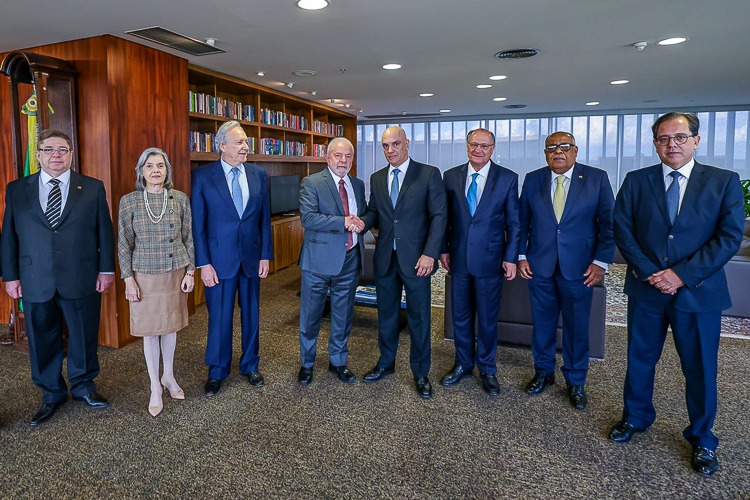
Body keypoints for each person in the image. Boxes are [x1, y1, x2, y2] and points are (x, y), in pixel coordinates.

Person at [609, 112, 744, 476]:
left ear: (696, 141)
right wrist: (651, 272)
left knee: (700, 368)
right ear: (655, 143)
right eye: (664, 138)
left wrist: (680, 275)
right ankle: (635, 417)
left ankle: (702, 438)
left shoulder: (723, 181)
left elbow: (729, 238)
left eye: (680, 137)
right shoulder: (636, 180)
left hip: (698, 293)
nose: (672, 145)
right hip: (647, 289)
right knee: (639, 360)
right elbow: (623, 230)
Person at [1, 129, 115, 427]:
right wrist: (10, 276)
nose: (56, 155)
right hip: (34, 277)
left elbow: (105, 232)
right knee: (41, 337)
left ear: (71, 155)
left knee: (83, 334)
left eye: (62, 150)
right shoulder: (17, 189)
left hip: (82, 275)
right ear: (38, 155)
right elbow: (8, 236)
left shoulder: (92, 188)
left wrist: (106, 269)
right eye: (49, 149)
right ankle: (51, 393)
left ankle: (83, 386)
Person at [518, 131, 614, 410]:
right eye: (551, 148)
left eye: (564, 146)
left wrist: (601, 262)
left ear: (575, 150)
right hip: (540, 266)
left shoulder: (596, 178)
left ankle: (575, 380)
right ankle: (543, 371)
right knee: (542, 324)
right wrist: (522, 256)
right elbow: (522, 222)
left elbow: (609, 224)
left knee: (576, 327)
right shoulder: (533, 179)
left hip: (580, 268)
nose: (558, 152)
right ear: (545, 153)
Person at [361, 126, 447, 399]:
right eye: (385, 146)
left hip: (418, 260)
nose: (390, 150)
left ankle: (421, 372)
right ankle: (386, 363)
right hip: (386, 258)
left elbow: (439, 216)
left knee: (419, 317)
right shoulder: (377, 178)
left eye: (396, 144)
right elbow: (374, 212)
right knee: (386, 315)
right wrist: (361, 223)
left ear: (407, 143)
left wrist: (430, 253)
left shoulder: (428, 174)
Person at [191, 120, 272, 397]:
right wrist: (203, 263)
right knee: (220, 318)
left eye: (246, 142)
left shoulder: (259, 174)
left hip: (251, 258)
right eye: (239, 142)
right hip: (218, 261)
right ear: (222, 146)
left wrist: (265, 255)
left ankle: (250, 364)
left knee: (252, 315)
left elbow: (264, 220)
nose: (245, 147)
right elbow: (198, 225)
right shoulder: (202, 176)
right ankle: (217, 370)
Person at [439, 128, 520, 397]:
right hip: (459, 258)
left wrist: (510, 257)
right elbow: (444, 218)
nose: (478, 150)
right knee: (460, 316)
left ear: (493, 148)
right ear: (467, 146)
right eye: (474, 144)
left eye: (484, 146)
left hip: (491, 260)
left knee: (486, 318)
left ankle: (487, 368)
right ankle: (463, 363)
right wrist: (443, 249)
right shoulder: (451, 176)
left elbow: (514, 223)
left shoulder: (507, 178)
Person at [118, 147, 195, 416]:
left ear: (167, 170)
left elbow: (189, 237)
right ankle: (155, 386)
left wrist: (190, 271)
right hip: (144, 275)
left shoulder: (180, 199)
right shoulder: (129, 201)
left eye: (160, 166)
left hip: (175, 271)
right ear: (141, 171)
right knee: (150, 332)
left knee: (170, 328)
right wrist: (128, 278)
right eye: (149, 166)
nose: (155, 171)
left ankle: (169, 376)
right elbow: (123, 244)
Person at [297, 137, 366, 386]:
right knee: (311, 315)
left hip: (349, 258)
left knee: (343, 315)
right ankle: (307, 363)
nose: (343, 161)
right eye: (338, 155)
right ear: (328, 157)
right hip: (318, 261)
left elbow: (362, 214)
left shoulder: (357, 184)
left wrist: (362, 222)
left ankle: (338, 361)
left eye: (348, 156)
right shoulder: (312, 182)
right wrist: (343, 222)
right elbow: (308, 218)